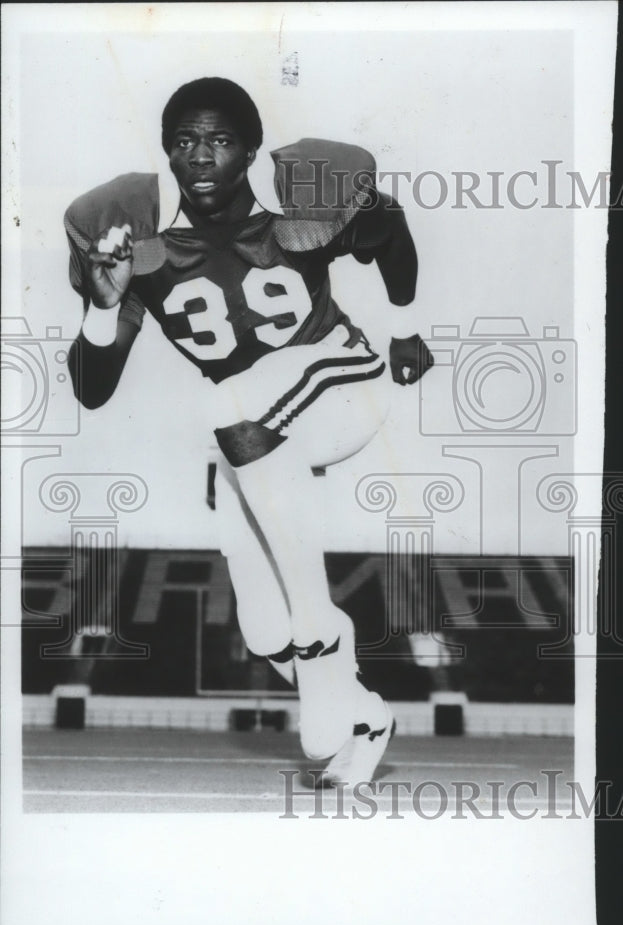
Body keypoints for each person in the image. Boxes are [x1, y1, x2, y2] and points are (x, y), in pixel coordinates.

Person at [64, 77, 433, 785]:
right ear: (166, 154)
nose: (201, 156)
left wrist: (407, 323)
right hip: (252, 432)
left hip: (340, 383)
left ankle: (323, 641)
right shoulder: (137, 242)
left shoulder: (298, 206)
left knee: (230, 403)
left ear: (251, 151)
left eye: (220, 140)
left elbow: (388, 231)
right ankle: (362, 710)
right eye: (184, 141)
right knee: (265, 632)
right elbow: (91, 388)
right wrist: (101, 306)